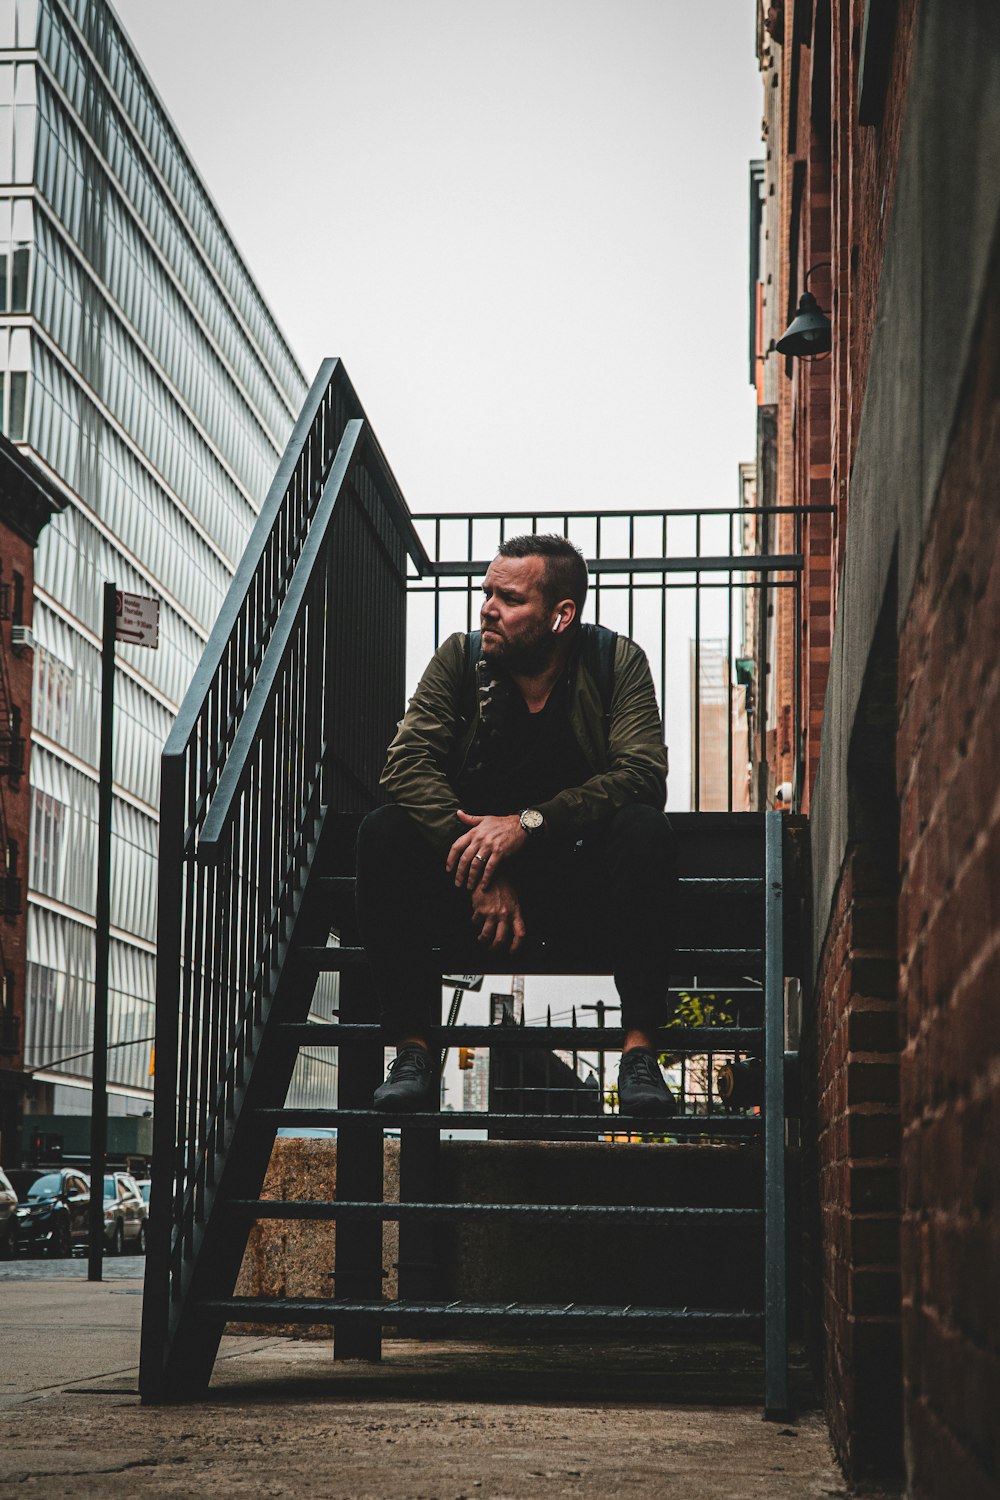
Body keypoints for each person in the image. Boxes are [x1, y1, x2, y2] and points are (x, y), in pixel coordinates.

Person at [355, 533, 678, 1116]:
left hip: (576, 878)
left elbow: (642, 773)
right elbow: (405, 764)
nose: (488, 609)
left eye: (508, 598)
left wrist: (527, 824)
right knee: (382, 832)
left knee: (643, 831)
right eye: (487, 594)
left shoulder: (614, 662)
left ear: (561, 615)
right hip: (471, 887)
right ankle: (411, 1048)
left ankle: (639, 1053)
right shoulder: (460, 659)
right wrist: (478, 865)